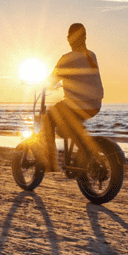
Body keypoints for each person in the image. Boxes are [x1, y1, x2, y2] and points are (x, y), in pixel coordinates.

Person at [41, 23, 104, 171]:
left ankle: (50, 163)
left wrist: (44, 84)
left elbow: (51, 80)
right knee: (67, 123)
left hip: (77, 104)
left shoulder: (66, 59)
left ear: (69, 39)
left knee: (48, 118)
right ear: (85, 37)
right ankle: (81, 149)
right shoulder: (91, 55)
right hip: (95, 105)